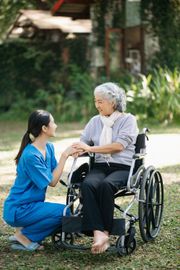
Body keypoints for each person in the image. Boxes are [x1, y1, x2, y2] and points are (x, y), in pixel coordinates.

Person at [73, 82, 139, 254]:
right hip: (100, 166)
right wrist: (76, 149)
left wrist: (91, 149)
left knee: (106, 185)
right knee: (88, 184)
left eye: (100, 101)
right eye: (96, 101)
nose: (97, 105)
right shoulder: (95, 121)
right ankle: (98, 232)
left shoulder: (128, 120)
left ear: (113, 102)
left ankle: (106, 232)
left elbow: (118, 146)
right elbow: (84, 143)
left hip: (123, 167)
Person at [3, 110, 79, 251]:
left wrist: (72, 155)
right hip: (18, 209)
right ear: (44, 128)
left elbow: (54, 172)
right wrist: (64, 156)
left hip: (32, 205)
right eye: (53, 122)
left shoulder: (48, 147)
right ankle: (24, 236)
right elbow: (52, 181)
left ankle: (25, 232)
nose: (56, 125)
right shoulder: (31, 155)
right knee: (64, 213)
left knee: (64, 213)